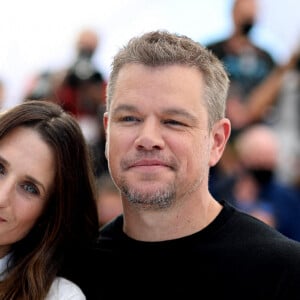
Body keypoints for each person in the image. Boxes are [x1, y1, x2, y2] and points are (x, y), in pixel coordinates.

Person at [66, 30, 300, 299]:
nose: (148, 139)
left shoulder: (283, 275)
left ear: (217, 142)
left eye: (174, 121)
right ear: (108, 132)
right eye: (129, 118)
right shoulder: (71, 277)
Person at [0, 100, 99, 299]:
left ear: (49, 213)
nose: (2, 197)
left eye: (29, 188)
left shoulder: (59, 296)